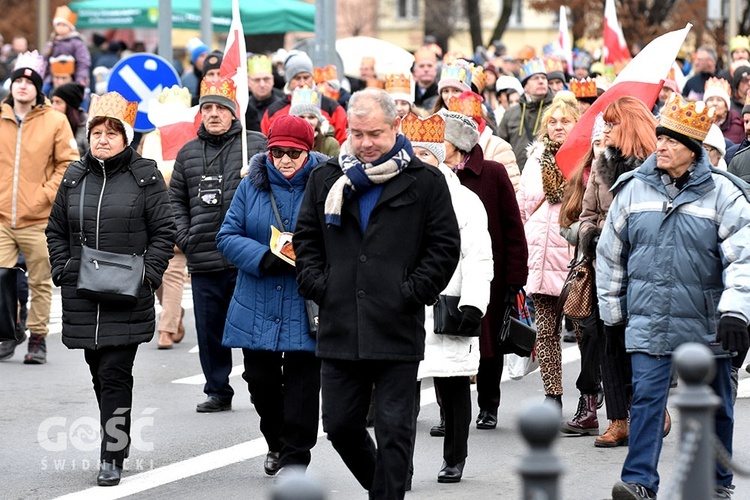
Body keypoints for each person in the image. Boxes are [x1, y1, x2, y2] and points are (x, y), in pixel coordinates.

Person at [294, 88, 461, 499]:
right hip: (340, 323)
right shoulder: (326, 178)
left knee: (394, 431)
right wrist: (322, 285)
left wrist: (412, 291)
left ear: (396, 127)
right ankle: (385, 488)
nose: (366, 143)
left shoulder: (425, 181)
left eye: (376, 134)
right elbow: (306, 241)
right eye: (357, 133)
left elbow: (444, 247)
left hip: (396, 323)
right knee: (340, 425)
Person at [599, 93, 750, 500]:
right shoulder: (631, 190)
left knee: (717, 405)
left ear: (694, 150)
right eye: (660, 138)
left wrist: (736, 313)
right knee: (647, 400)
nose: (661, 146)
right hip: (649, 318)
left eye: (672, 141)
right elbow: (611, 256)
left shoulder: (724, 194)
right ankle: (639, 481)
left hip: (708, 322)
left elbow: (743, 258)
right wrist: (612, 317)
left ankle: (717, 482)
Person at [45, 91, 176, 486]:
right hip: (82, 293)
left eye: (111, 132)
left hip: (126, 295)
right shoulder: (73, 176)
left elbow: (164, 232)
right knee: (98, 373)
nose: (102, 139)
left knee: (116, 373)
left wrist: (148, 277)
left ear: (127, 137)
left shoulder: (146, 176)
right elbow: (55, 231)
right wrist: (63, 268)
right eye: (96, 132)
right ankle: (113, 437)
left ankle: (111, 454)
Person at [217, 115, 326, 477]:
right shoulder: (251, 186)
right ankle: (276, 441)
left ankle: (296, 457)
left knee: (303, 388)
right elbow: (227, 235)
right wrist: (265, 255)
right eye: (277, 152)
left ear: (308, 153)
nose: (284, 161)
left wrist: (308, 255)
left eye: (293, 153)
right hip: (258, 296)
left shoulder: (326, 186)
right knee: (260, 382)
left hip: (305, 299)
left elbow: (343, 238)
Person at [403, 113, 493, 483]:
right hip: (402, 305)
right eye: (412, 153)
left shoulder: (465, 200)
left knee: (453, 383)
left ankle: (455, 456)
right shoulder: (392, 192)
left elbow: (477, 254)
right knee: (400, 390)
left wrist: (473, 303)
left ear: (440, 158)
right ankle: (399, 464)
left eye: (425, 154)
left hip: (447, 303)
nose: (417, 160)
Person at [169, 76, 267, 412]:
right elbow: (175, 202)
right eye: (207, 108)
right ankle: (217, 389)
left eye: (220, 108)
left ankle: (262, 384)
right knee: (209, 329)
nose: (213, 114)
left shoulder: (255, 145)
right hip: (205, 257)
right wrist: (187, 238)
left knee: (254, 328)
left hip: (249, 257)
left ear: (233, 112)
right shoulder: (188, 153)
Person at [577, 96, 665, 447]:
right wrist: (593, 237)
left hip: (646, 271)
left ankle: (651, 411)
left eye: (612, 124)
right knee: (608, 343)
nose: (606, 130)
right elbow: (585, 216)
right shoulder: (602, 164)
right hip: (605, 267)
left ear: (629, 126)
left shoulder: (659, 166)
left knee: (641, 345)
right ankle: (618, 419)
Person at [440, 109, 528, 431]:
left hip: (490, 270)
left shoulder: (492, 173)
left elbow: (512, 226)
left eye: (444, 139)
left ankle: (488, 405)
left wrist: (516, 276)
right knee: (444, 336)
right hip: (446, 271)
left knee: (488, 344)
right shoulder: (435, 175)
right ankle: (445, 410)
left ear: (458, 144)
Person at [0, 51, 80, 364]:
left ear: (38, 88)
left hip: (38, 218)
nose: (22, 86)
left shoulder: (55, 121)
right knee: (2, 278)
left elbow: (67, 163)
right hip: (3, 217)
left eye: (28, 81)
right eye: (18, 80)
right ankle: (8, 333)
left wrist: (45, 195)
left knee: (39, 281)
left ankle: (37, 338)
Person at [517, 92, 581, 409]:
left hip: (571, 257)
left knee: (584, 332)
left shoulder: (584, 158)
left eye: (565, 121)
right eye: (552, 122)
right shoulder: (535, 159)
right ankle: (552, 395)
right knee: (545, 332)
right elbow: (523, 208)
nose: (558, 126)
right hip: (541, 256)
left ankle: (589, 396)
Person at [558, 113, 606, 435]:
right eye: (597, 142)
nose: (602, 147)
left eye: (607, 141)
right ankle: (588, 402)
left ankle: (631, 407)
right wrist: (587, 233)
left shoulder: (634, 172)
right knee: (588, 333)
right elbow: (567, 223)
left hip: (626, 268)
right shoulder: (583, 176)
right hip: (589, 267)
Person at [261, 50, 347, 144]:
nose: (302, 83)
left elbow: (343, 143)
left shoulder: (332, 108)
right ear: (288, 80)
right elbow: (266, 145)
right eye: (297, 78)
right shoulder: (273, 112)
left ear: (312, 77)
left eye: (306, 77)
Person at [446, 90, 520, 192]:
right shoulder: (449, 150)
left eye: (470, 122)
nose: (465, 128)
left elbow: (513, 188)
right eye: (459, 124)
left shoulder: (499, 147)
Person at [498, 58, 555, 169]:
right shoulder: (511, 113)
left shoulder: (556, 109)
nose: (541, 81)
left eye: (543, 77)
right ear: (525, 86)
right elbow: (501, 147)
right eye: (535, 78)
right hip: (517, 174)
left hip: (549, 175)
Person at [43, 6, 91, 89]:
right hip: (52, 81)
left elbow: (83, 62)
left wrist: (80, 80)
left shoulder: (77, 43)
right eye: (58, 25)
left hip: (72, 80)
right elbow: (45, 62)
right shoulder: (51, 43)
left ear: (70, 27)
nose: (61, 27)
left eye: (64, 25)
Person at [289, 87, 340, 157]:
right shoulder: (284, 141)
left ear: (318, 120)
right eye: (301, 117)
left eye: (311, 117)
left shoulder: (330, 143)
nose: (306, 121)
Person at [246, 54, 284, 133]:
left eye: (266, 79)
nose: (262, 84)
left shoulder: (283, 106)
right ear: (248, 81)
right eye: (257, 80)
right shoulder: (244, 107)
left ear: (272, 80)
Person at [50, 82, 88, 157]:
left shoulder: (87, 127)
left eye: (58, 102)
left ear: (69, 106)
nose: (53, 107)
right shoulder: (50, 124)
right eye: (52, 102)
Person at [703, 77, 745, 144]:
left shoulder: (737, 125)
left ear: (726, 106)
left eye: (719, 100)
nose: (715, 103)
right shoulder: (699, 123)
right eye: (711, 99)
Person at [412, 47, 440, 112]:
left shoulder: (441, 93)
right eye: (421, 66)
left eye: (430, 66)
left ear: (435, 70)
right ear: (415, 71)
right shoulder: (409, 92)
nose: (426, 69)